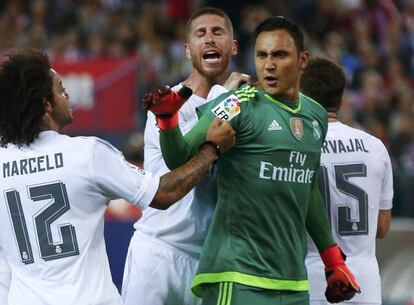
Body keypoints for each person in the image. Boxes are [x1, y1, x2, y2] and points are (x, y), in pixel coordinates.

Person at [146, 16, 360, 305]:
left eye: (280, 55)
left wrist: (333, 260)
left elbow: (306, 189)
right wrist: (168, 120)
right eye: (262, 55)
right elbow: (179, 157)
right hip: (236, 277)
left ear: (302, 60)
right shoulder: (238, 101)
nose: (269, 64)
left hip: (294, 282)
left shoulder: (316, 116)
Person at [0, 48, 235, 305]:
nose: (67, 95)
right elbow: (164, 193)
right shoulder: (86, 154)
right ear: (46, 103)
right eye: (60, 88)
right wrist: (211, 149)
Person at [122, 7, 251, 305]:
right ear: (187, 49)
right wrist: (225, 96)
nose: (209, 39)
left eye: (218, 32)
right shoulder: (166, 104)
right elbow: (179, 164)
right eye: (200, 33)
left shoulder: (245, 104)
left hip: (209, 262)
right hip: (158, 253)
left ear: (233, 46)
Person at [301, 57, 393, 305]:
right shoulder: (375, 147)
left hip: (314, 280)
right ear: (341, 100)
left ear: (302, 97)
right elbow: (382, 228)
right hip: (364, 284)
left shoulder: (297, 147)